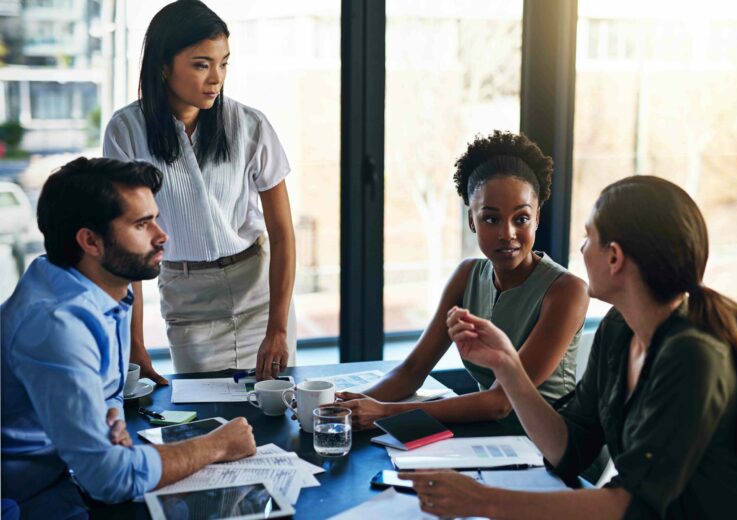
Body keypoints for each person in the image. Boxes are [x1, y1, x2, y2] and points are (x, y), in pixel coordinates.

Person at [403, 175, 737, 519]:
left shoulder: (693, 356)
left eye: (588, 238)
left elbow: (629, 505)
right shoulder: (619, 328)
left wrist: (482, 501)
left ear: (614, 257)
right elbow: (571, 448)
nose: (581, 250)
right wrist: (508, 366)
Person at [1, 158, 257, 516]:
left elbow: (110, 393)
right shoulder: (58, 324)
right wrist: (217, 446)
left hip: (67, 474)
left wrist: (110, 421)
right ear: (90, 241)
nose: (161, 235)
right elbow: (109, 479)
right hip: (27, 497)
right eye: (142, 224)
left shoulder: (105, 287)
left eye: (155, 218)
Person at [337, 130, 588, 430]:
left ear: (537, 218)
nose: (507, 233)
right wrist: (341, 405)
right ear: (472, 220)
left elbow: (500, 402)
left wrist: (384, 413)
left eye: (520, 218)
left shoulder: (567, 291)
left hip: (555, 453)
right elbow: (413, 370)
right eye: (491, 219)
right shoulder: (467, 276)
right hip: (487, 440)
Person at [103, 0, 296, 382]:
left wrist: (277, 327)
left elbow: (283, 232)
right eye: (201, 64)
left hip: (258, 292)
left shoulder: (250, 125)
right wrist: (135, 344)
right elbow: (129, 245)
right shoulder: (125, 132)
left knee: (275, 414)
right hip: (188, 297)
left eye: (224, 63)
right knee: (208, 418)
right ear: (162, 66)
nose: (216, 78)